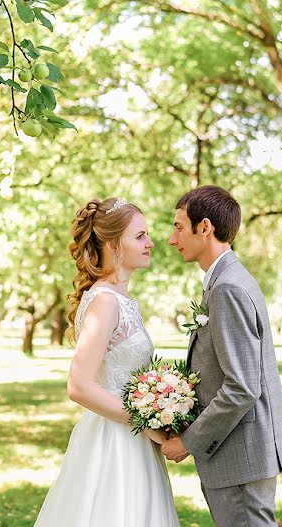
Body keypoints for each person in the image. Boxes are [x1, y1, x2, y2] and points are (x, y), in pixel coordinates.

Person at [34, 197, 180, 527]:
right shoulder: (105, 302)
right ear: (114, 244)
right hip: (115, 446)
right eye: (140, 236)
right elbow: (79, 385)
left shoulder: (119, 299)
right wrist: (146, 423)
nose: (151, 243)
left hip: (131, 441)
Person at [162, 185, 282, 527]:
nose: (172, 238)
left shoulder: (227, 288)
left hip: (242, 456)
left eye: (179, 227)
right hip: (240, 454)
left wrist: (189, 441)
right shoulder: (225, 281)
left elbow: (242, 387)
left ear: (204, 228)